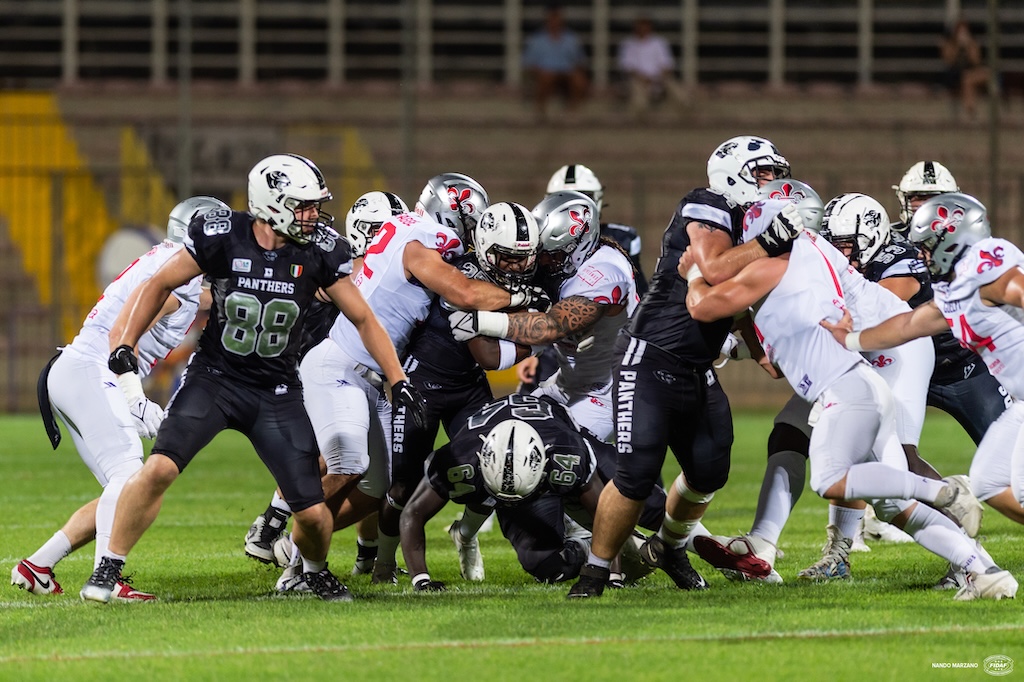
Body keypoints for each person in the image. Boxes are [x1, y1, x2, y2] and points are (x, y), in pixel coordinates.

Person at [79, 154, 424, 603]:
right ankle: (108, 568)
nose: (314, 215)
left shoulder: (319, 250)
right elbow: (158, 283)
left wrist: (397, 379)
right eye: (303, 206)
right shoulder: (222, 234)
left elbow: (363, 317)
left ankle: (312, 572)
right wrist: (124, 341)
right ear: (273, 203)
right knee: (158, 467)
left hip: (276, 391)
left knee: (314, 515)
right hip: (215, 379)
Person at [684, 197, 1017, 602]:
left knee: (838, 477)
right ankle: (983, 570)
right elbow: (771, 358)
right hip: (853, 365)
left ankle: (941, 492)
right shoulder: (802, 258)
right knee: (881, 494)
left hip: (872, 366)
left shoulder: (777, 264)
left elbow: (706, 304)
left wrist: (694, 274)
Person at [274, 178, 550, 591]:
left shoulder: (408, 228)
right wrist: (521, 298)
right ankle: (286, 540)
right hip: (346, 367)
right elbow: (466, 293)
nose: (469, 235)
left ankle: (297, 550)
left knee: (377, 487)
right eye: (468, 222)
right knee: (348, 462)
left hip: (377, 376)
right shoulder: (422, 242)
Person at [565, 135, 801, 598]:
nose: (771, 181)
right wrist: (769, 243)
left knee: (709, 471)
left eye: (775, 172)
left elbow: (735, 299)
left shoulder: (742, 221)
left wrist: (757, 349)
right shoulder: (706, 203)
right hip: (650, 357)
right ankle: (594, 572)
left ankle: (670, 547)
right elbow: (712, 269)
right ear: (733, 171)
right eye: (763, 171)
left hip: (696, 366)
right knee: (634, 476)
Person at [11, 196, 225, 600]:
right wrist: (135, 397)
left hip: (78, 370)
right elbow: (119, 336)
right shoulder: (178, 274)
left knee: (124, 488)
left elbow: (202, 298)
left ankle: (38, 565)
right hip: (97, 371)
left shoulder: (177, 265)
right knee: (132, 480)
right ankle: (106, 578)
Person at [824, 192, 1024, 533]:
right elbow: (907, 325)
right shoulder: (953, 285)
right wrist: (850, 339)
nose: (922, 254)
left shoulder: (985, 263)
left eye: (928, 245)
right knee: (989, 480)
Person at [368, 201, 540, 586]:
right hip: (422, 385)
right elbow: (489, 355)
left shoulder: (513, 279)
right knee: (401, 484)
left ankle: (466, 534)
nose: (516, 267)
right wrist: (535, 341)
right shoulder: (462, 277)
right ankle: (382, 562)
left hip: (467, 388)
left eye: (523, 259)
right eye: (508, 258)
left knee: (495, 465)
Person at [243, 190, 409, 571]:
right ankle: (275, 530)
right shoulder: (342, 266)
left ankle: (359, 552)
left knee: (368, 467)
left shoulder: (361, 266)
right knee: (335, 458)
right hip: (318, 369)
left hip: (350, 373)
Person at [452, 190, 638, 443]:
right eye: (541, 252)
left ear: (580, 245)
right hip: (566, 383)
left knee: (553, 454)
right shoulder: (557, 267)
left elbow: (552, 326)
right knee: (498, 436)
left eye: (553, 253)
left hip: (608, 393)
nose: (545, 260)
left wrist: (481, 322)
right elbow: (495, 354)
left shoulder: (605, 271)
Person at [400, 394, 625, 589]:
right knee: (548, 567)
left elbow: (604, 514)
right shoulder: (459, 459)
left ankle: (580, 529)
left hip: (553, 435)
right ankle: (466, 533)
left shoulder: (567, 451)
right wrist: (421, 580)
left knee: (631, 498)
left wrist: (613, 574)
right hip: (495, 465)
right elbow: (412, 513)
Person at [517, 163, 647, 393]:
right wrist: (532, 349)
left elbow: (639, 296)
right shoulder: (543, 244)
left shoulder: (617, 244)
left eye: (583, 196)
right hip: (555, 337)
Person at [522, 5, 588, 121]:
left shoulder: (571, 38)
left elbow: (580, 61)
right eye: (552, 19)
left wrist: (575, 70)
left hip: (566, 73)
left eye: (557, 18)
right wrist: (540, 72)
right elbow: (529, 63)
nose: (554, 22)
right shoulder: (536, 39)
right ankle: (540, 110)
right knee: (547, 77)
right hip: (545, 73)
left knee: (578, 79)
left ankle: (573, 111)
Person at [617, 16, 687, 118]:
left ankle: (687, 111)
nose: (642, 30)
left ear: (650, 28)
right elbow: (628, 67)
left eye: (645, 27)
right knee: (637, 91)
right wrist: (643, 78)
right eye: (640, 27)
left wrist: (657, 78)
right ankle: (639, 117)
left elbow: (667, 65)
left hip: (658, 78)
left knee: (673, 85)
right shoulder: (628, 44)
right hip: (638, 80)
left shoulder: (659, 43)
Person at [891, 161, 960, 238]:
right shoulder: (890, 237)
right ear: (903, 199)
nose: (929, 205)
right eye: (921, 198)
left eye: (936, 198)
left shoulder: (965, 236)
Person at [941, 19, 989, 121]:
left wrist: (968, 45)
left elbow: (976, 61)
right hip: (955, 74)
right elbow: (949, 60)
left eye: (965, 31)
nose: (963, 33)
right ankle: (971, 113)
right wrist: (958, 46)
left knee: (975, 77)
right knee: (967, 79)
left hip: (971, 73)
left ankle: (973, 112)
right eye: (960, 31)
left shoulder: (972, 43)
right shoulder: (950, 43)